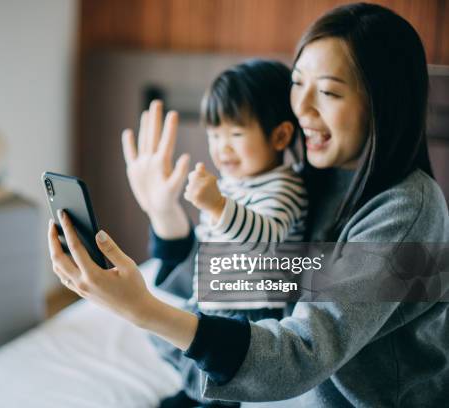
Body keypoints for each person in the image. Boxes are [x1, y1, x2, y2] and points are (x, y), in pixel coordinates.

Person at [49, 3, 449, 406]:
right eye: (297, 83)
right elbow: (241, 284)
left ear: (384, 103)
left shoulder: (409, 210)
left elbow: (302, 354)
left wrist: (144, 310)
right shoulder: (309, 179)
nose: (302, 109)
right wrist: (165, 216)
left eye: (328, 91)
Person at [153, 59, 307, 408]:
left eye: (236, 134)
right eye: (214, 135)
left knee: (222, 368)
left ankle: (215, 402)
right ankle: (194, 393)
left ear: (280, 135)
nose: (222, 147)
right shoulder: (237, 183)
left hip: (253, 308)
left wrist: (218, 205)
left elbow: (265, 239)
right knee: (184, 345)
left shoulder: (283, 187)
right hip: (222, 295)